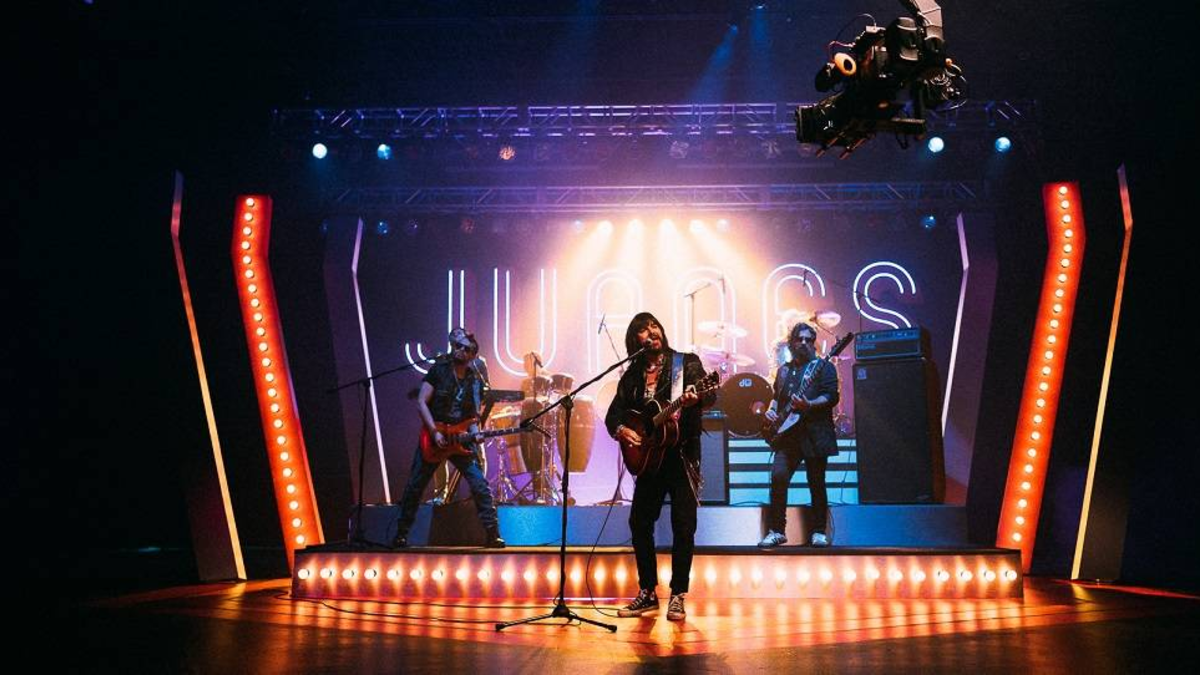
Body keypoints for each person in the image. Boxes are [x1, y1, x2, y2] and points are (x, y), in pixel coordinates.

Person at [605, 312, 714, 621]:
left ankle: (678, 594)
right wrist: (622, 430)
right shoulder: (632, 376)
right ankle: (647, 592)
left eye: (654, 325)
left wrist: (696, 398)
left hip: (681, 456)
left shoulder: (686, 363)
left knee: (684, 524)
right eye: (643, 329)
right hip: (649, 460)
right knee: (639, 522)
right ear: (634, 340)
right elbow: (614, 414)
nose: (651, 331)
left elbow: (710, 395)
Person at [392, 328, 504, 548]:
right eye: (458, 346)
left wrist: (475, 434)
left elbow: (473, 417)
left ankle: (493, 534)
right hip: (434, 437)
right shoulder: (439, 370)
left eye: (466, 349)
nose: (461, 350)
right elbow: (422, 401)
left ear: (472, 356)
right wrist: (434, 431)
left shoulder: (474, 381)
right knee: (415, 486)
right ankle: (401, 534)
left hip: (459, 441)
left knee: (480, 486)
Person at [758, 321, 840, 548]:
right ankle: (777, 530)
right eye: (799, 339)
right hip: (788, 437)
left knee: (816, 482)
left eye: (808, 340)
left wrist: (809, 404)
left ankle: (818, 532)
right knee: (778, 478)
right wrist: (771, 411)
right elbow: (777, 397)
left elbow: (831, 396)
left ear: (814, 344)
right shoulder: (784, 370)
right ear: (792, 343)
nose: (804, 343)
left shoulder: (823, 367)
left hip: (815, 433)